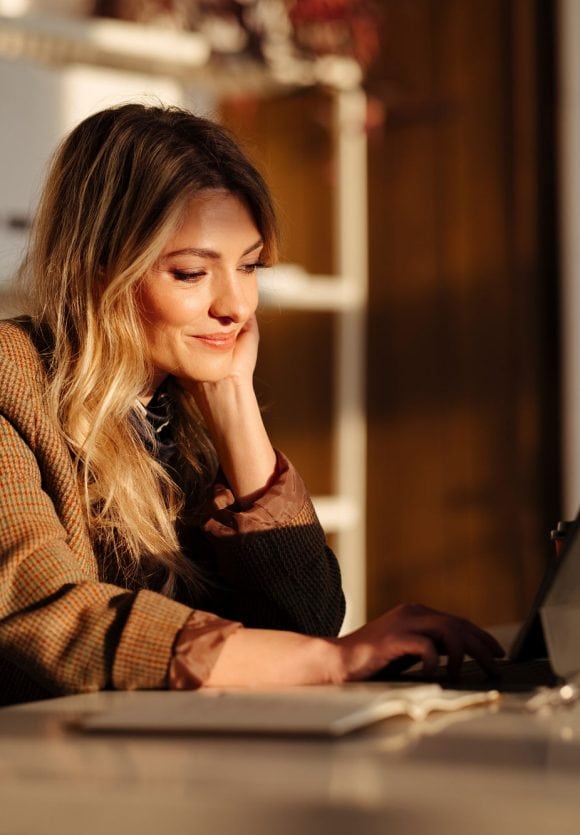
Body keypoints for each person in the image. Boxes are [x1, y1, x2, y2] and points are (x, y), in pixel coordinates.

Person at [0, 103, 503, 705]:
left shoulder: (176, 405)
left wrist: (233, 401)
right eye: (191, 272)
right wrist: (332, 662)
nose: (236, 306)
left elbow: (308, 617)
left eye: (249, 266)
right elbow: (44, 614)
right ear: (99, 266)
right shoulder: (13, 378)